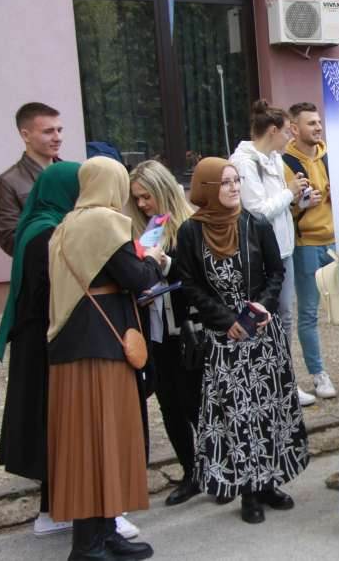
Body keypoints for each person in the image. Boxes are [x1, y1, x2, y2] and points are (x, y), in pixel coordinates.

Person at [176, 158, 309, 524]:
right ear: (206, 189)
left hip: (263, 335)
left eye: (236, 181)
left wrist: (260, 308)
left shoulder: (255, 223)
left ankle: (268, 483)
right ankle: (248, 492)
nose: (234, 188)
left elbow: (275, 271)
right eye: (225, 183)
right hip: (225, 339)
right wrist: (225, 320)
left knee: (268, 412)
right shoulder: (190, 232)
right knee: (237, 417)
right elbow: (189, 284)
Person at [47, 157, 164, 559]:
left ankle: (101, 532)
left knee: (90, 443)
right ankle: (90, 544)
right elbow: (137, 278)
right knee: (104, 439)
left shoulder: (65, 225)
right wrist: (155, 259)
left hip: (76, 346)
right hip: (102, 349)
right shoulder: (104, 222)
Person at [0, 163, 80, 538]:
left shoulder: (41, 225)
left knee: (52, 424)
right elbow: (54, 294)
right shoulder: (46, 233)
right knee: (54, 423)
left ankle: (53, 507)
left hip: (38, 341)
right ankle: (57, 509)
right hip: (45, 345)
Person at [231, 100, 318, 409]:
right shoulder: (244, 162)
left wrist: (302, 199)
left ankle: (284, 383)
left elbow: (280, 208)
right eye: (286, 133)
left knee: (284, 318)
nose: (289, 139)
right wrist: (289, 192)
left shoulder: (272, 159)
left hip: (283, 250)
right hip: (262, 258)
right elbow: (257, 213)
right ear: (272, 131)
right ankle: (266, 383)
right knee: (264, 319)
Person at [126, 160, 201, 507]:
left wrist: (165, 268)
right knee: (169, 405)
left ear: (163, 190)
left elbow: (200, 280)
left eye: (146, 197)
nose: (142, 204)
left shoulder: (190, 224)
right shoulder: (141, 228)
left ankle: (217, 468)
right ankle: (192, 472)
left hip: (188, 329)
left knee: (197, 403)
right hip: (155, 332)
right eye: (136, 199)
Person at [283, 101, 337, 404]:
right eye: (311, 123)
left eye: (319, 122)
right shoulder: (285, 163)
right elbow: (279, 211)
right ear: (294, 128)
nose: (317, 128)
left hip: (336, 241)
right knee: (307, 313)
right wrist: (300, 203)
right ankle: (318, 374)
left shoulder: (332, 154)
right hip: (305, 245)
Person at [0, 102, 63, 255]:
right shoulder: (8, 181)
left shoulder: (74, 173)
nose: (57, 137)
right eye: (48, 131)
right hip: (42, 271)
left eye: (59, 130)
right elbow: (9, 240)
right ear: (25, 135)